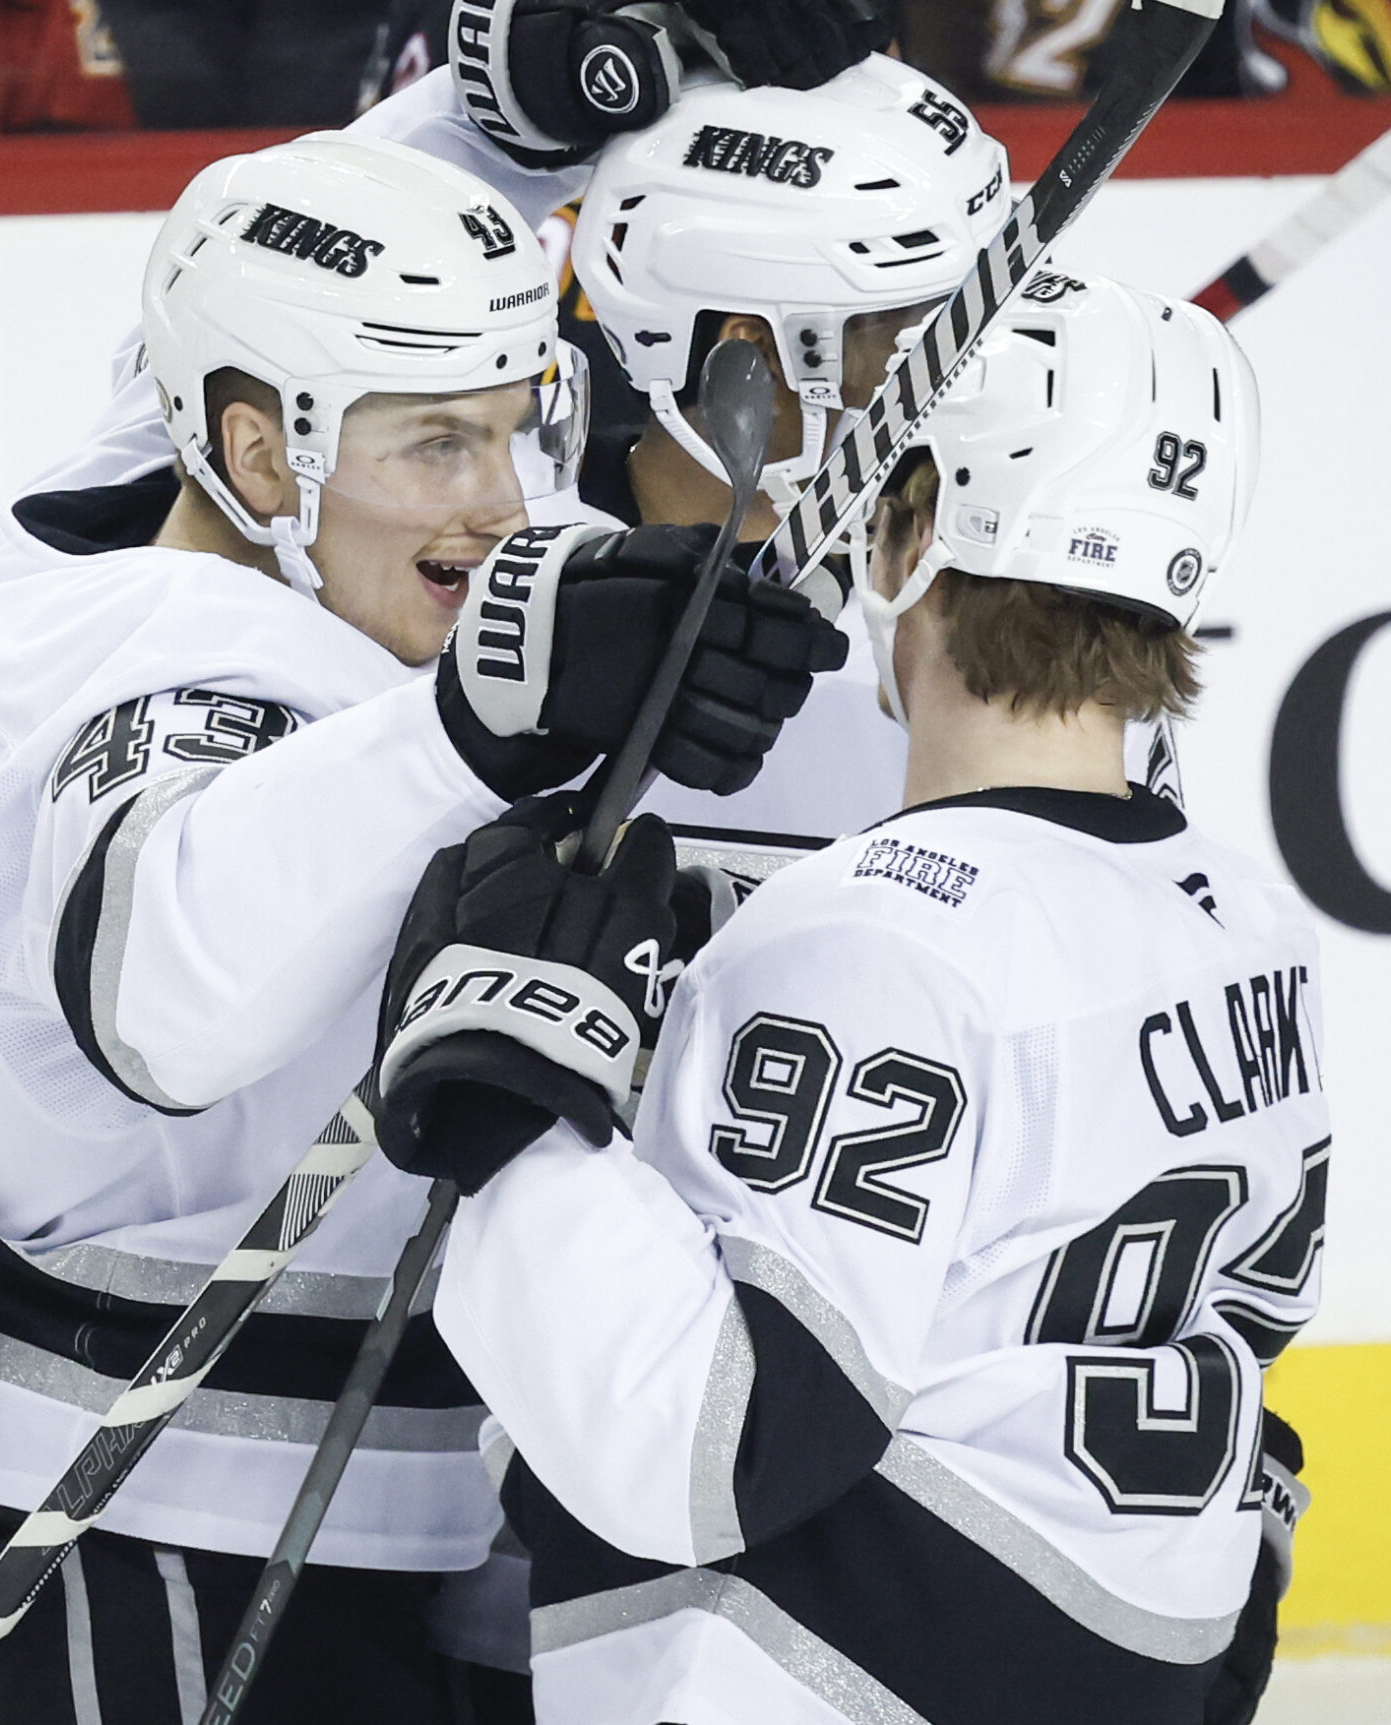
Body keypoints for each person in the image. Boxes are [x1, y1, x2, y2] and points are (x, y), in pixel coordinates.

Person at [0, 130, 846, 1723]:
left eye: (522, 429)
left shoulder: (68, 533)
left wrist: (495, 91)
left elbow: (295, 250)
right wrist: (475, 721)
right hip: (160, 1576)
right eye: (438, 446)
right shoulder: (194, 679)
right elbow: (168, 981)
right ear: (257, 458)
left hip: (272, 1561)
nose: (508, 503)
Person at [375, 273, 1326, 1725]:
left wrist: (506, 1101)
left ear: (916, 528)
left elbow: (707, 1442)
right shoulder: (1249, 930)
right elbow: (1248, 1333)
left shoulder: (869, 939)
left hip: (832, 1673)